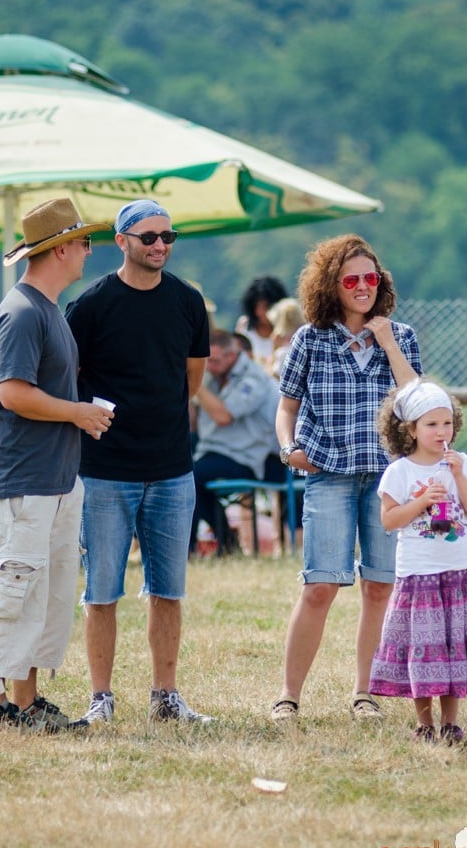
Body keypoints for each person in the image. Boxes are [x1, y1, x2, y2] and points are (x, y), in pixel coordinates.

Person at [64, 199, 213, 726]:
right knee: (101, 589)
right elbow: (68, 378)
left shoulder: (188, 302)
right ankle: (100, 697)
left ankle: (166, 695)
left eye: (168, 238)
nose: (160, 246)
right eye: (149, 237)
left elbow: (192, 380)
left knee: (168, 589)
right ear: (121, 241)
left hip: (172, 467)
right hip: (105, 469)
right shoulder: (90, 305)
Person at [0, 197, 113, 734]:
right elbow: (12, 393)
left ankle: (28, 703)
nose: (87, 251)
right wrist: (78, 412)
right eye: (83, 242)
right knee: (13, 590)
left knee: (48, 596)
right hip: (22, 480)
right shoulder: (23, 312)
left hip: (53, 478)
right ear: (59, 250)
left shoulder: (46, 309)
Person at [270, 233, 423, 723]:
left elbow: (415, 399)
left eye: (370, 278)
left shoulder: (402, 335)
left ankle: (365, 694)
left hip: (388, 480)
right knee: (320, 586)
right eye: (351, 279)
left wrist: (384, 339)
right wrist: (288, 449)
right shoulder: (309, 338)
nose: (362, 287)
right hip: (328, 475)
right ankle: (288, 698)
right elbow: (286, 407)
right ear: (331, 285)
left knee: (380, 587)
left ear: (382, 282)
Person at [369, 379, 467, 743]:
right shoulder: (400, 472)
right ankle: (424, 723)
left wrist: (457, 476)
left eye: (447, 423)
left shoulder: (463, 464)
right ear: (411, 429)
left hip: (459, 572)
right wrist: (420, 503)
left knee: (453, 647)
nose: (441, 431)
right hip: (419, 576)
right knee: (423, 648)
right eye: (431, 425)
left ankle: (451, 722)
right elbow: (389, 520)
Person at [190, 328, 281, 554]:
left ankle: (215, 544)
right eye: (206, 361)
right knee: (178, 473)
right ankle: (222, 542)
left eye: (214, 361)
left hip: (246, 458)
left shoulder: (254, 379)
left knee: (189, 475)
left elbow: (223, 416)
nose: (208, 367)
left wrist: (195, 383)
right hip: (211, 451)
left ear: (232, 356)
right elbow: (193, 423)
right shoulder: (212, 372)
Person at [235, 276, 288, 370]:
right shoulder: (244, 326)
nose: (259, 312)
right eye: (256, 306)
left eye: (266, 306)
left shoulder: (288, 332)